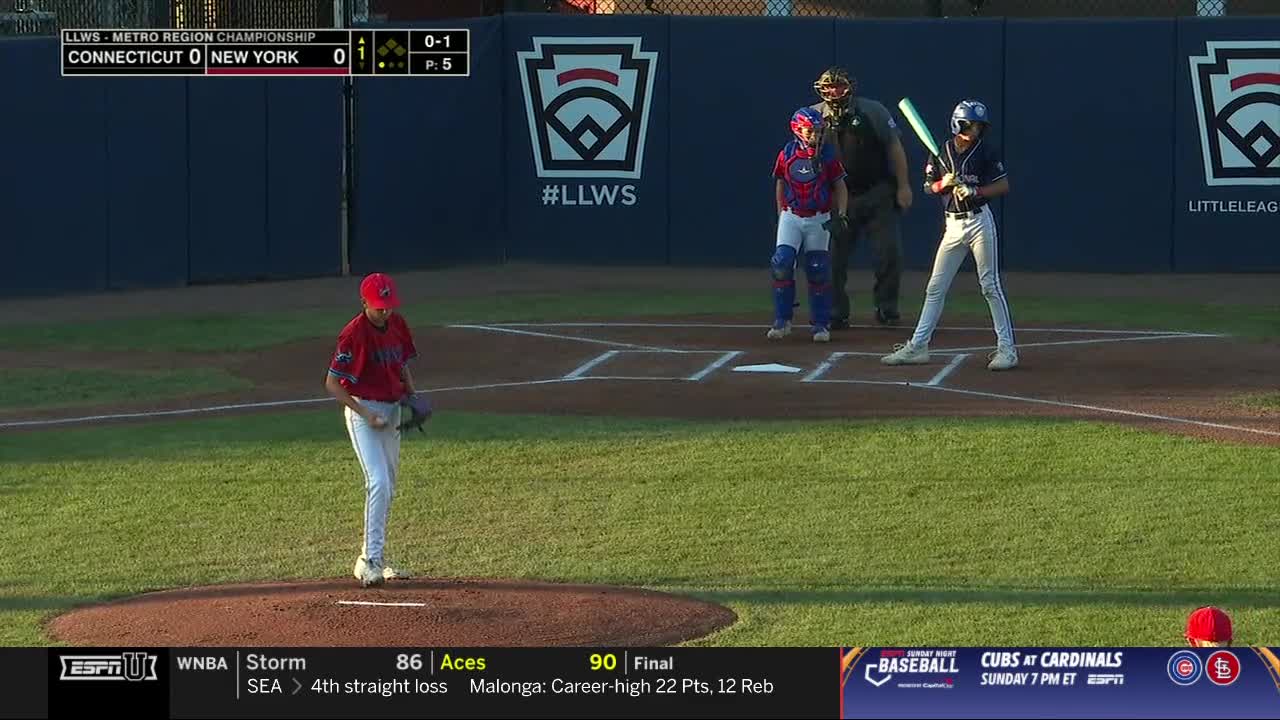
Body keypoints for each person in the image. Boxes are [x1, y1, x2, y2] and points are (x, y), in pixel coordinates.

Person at [881, 99, 1018, 371]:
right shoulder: (941, 151)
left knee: (989, 285)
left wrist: (975, 191)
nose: (974, 130)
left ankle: (1007, 350)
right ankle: (918, 346)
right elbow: (929, 188)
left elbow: (1003, 185)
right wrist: (946, 183)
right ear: (958, 124)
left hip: (979, 223)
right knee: (935, 288)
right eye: (970, 124)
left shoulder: (985, 152)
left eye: (978, 126)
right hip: (953, 227)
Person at [324, 272, 419, 587]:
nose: (385, 311)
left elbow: (401, 362)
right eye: (379, 307)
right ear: (364, 303)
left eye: (388, 305)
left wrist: (412, 395)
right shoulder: (353, 334)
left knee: (388, 486)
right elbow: (333, 384)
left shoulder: (398, 324)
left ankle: (373, 556)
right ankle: (370, 562)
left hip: (391, 410)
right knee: (377, 481)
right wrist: (365, 413)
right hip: (363, 412)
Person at [810, 67, 913, 329]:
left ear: (850, 87)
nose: (834, 91)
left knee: (889, 252)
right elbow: (802, 156)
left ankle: (886, 308)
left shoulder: (872, 110)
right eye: (829, 87)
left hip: (876, 190)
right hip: (837, 197)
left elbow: (894, 147)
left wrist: (903, 186)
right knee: (832, 256)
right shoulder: (813, 115)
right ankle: (835, 311)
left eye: (839, 86)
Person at [769, 106, 849, 343]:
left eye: (818, 131)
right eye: (811, 131)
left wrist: (841, 214)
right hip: (792, 215)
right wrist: (781, 212)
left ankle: (820, 324)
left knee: (818, 269)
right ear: (798, 130)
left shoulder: (828, 156)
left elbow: (840, 186)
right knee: (782, 263)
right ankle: (782, 321)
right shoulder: (787, 154)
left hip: (819, 217)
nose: (816, 135)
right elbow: (781, 183)